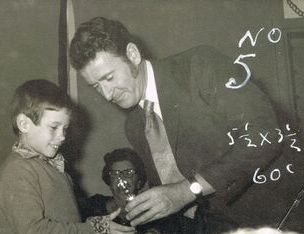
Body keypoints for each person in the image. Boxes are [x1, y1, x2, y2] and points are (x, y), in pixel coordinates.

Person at [69, 17, 281, 232]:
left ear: (132, 55)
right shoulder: (134, 126)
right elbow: (177, 199)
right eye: (96, 86)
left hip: (280, 214)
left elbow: (264, 135)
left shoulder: (199, 66)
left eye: (109, 77)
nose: (106, 94)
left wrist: (186, 191)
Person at [0, 79, 135, 234]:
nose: (62, 136)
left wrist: (95, 224)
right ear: (24, 124)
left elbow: (65, 221)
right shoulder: (17, 171)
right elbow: (34, 230)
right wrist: (93, 230)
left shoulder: (50, 166)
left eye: (65, 128)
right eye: (54, 127)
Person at [84, 148, 184, 234]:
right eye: (115, 173)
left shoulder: (156, 210)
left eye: (128, 172)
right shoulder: (94, 206)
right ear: (109, 181)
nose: (121, 178)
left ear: (139, 181)